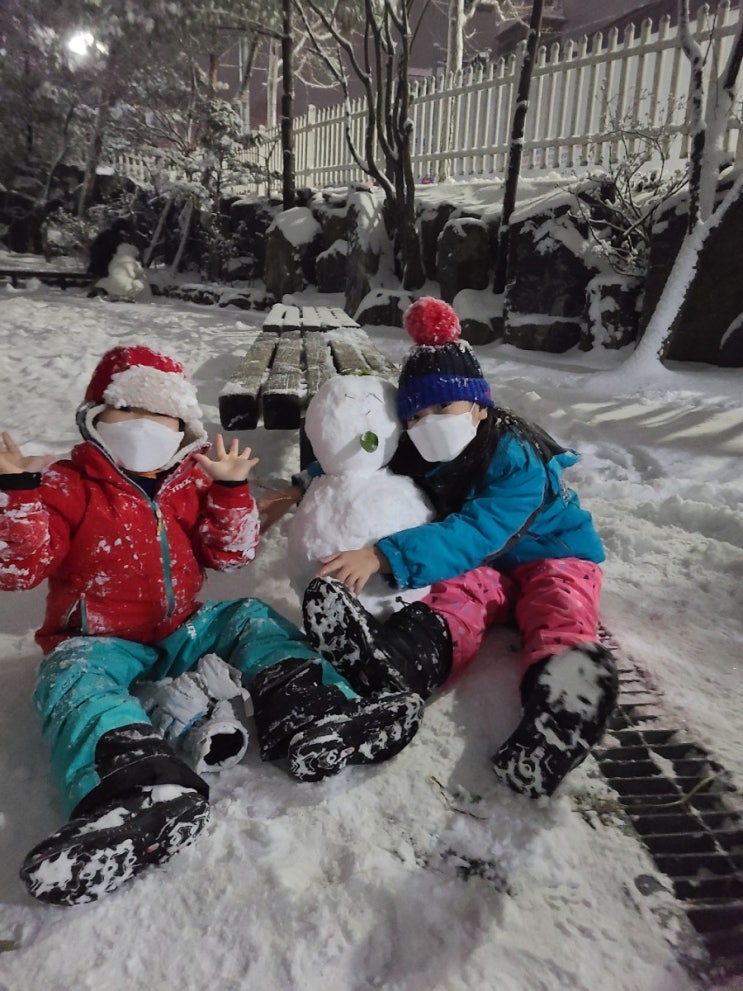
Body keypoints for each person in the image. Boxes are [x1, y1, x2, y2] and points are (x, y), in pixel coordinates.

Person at [0, 345, 423, 906]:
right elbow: (19, 568)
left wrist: (229, 490)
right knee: (70, 678)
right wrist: (16, 495)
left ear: (183, 428)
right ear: (96, 415)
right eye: (129, 411)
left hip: (181, 627)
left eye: (163, 418)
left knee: (250, 616)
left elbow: (230, 555)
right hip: (97, 639)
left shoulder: (187, 482)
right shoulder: (64, 483)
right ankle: (132, 789)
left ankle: (313, 709)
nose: (146, 428)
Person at [300, 297, 619, 801]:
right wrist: (312, 479)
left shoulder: (517, 456)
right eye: (416, 415)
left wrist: (385, 555)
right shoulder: (422, 446)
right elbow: (371, 459)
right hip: (487, 565)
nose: (429, 422)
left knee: (559, 607)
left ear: (479, 403)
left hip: (554, 552)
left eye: (443, 408)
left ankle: (562, 715)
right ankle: (399, 662)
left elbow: (477, 531)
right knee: (455, 596)